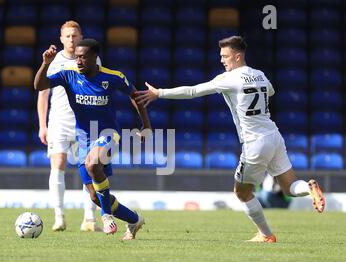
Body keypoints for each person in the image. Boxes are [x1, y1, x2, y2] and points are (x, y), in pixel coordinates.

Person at [133, 35, 325, 243]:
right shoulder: (259, 74)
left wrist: (159, 93)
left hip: (255, 143)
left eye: (225, 56)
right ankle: (309, 186)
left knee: (242, 192)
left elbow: (193, 91)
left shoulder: (228, 79)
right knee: (290, 186)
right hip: (274, 136)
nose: (222, 60)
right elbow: (271, 91)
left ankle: (266, 234)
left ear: (238, 56)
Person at [34, 38, 152, 240]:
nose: (78, 61)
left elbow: (136, 96)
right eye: (77, 57)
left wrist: (146, 126)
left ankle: (105, 216)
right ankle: (134, 220)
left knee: (92, 163)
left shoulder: (113, 77)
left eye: (82, 57)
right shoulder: (68, 75)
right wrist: (45, 63)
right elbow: (39, 85)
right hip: (83, 139)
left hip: (108, 134)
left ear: (95, 57)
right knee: (94, 196)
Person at [37, 21, 102, 232]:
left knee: (88, 167)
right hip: (59, 121)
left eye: (75, 35)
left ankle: (89, 219)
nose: (71, 40)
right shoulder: (54, 62)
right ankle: (59, 217)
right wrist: (42, 125)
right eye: (67, 36)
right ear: (61, 38)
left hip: (84, 121)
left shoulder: (93, 59)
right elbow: (43, 94)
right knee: (58, 164)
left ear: (81, 36)